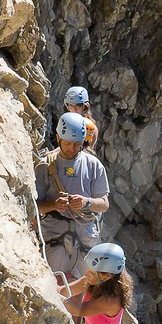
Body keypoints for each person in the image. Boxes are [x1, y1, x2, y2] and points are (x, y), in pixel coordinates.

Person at [37, 111, 110, 278]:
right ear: (58, 138)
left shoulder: (93, 165)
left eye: (77, 144)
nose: (72, 149)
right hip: (55, 235)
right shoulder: (45, 165)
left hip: (85, 234)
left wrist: (87, 202)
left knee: (86, 285)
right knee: (55, 282)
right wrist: (54, 205)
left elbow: (104, 204)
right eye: (68, 143)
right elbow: (35, 207)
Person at [64, 86, 98, 152]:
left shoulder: (89, 126)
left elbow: (87, 149)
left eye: (78, 105)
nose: (74, 109)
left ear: (84, 107)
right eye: (71, 105)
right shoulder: (66, 122)